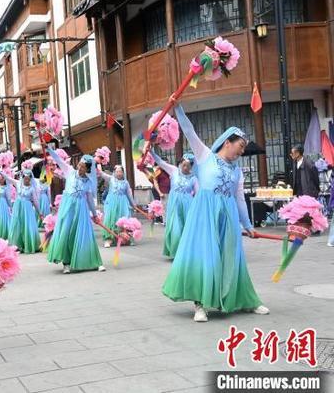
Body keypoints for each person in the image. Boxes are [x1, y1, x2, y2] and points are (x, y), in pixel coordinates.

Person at [162, 100, 269, 322]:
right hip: (204, 214)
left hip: (228, 215)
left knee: (232, 256)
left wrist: (248, 226)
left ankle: (245, 300)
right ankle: (200, 304)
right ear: (227, 142)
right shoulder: (204, 156)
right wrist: (177, 107)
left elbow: (239, 199)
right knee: (205, 255)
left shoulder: (237, 172)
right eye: (240, 145)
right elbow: (189, 130)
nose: (242, 150)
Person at [46, 147, 105, 273]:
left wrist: (94, 215)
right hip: (68, 207)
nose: (79, 167)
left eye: (83, 166)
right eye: (80, 164)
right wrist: (48, 149)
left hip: (81, 209)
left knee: (84, 234)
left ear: (88, 169)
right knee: (66, 232)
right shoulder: (70, 171)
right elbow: (58, 159)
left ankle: (95, 262)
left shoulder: (88, 182)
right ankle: (66, 263)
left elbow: (89, 199)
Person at [151, 151, 198, 258]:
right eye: (184, 164)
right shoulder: (174, 171)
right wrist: (151, 151)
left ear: (192, 166)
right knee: (175, 227)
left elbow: (198, 194)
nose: (185, 167)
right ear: (180, 163)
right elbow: (160, 162)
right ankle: (176, 253)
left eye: (188, 166)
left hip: (188, 205)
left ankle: (186, 253)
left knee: (187, 228)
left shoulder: (194, 178)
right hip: (174, 204)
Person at [4, 170, 41, 254]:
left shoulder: (32, 189)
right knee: (17, 225)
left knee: (27, 225)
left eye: (28, 179)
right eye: (25, 179)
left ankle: (28, 245)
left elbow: (35, 201)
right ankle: (17, 245)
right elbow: (7, 178)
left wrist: (39, 212)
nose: (26, 180)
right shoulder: (18, 184)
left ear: (30, 179)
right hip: (18, 207)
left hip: (27, 208)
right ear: (23, 178)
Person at [98, 165, 136, 248]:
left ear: (123, 173)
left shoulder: (126, 183)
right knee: (110, 220)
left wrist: (133, 205)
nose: (119, 173)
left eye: (121, 172)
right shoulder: (111, 179)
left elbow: (129, 194)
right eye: (117, 172)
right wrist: (98, 164)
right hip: (112, 203)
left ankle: (127, 238)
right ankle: (109, 239)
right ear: (114, 173)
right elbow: (101, 174)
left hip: (123, 204)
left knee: (125, 221)